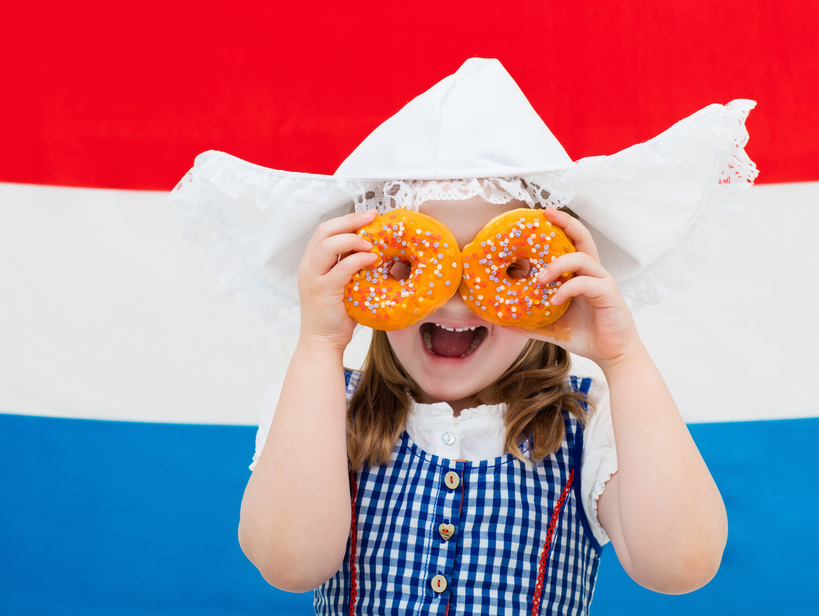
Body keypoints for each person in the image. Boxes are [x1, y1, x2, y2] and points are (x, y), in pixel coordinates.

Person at [170, 58, 757, 614]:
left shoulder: (589, 419)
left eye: (501, 268)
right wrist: (318, 346)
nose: (453, 296)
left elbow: (681, 564)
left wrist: (625, 360)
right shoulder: (321, 404)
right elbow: (289, 563)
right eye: (408, 265)